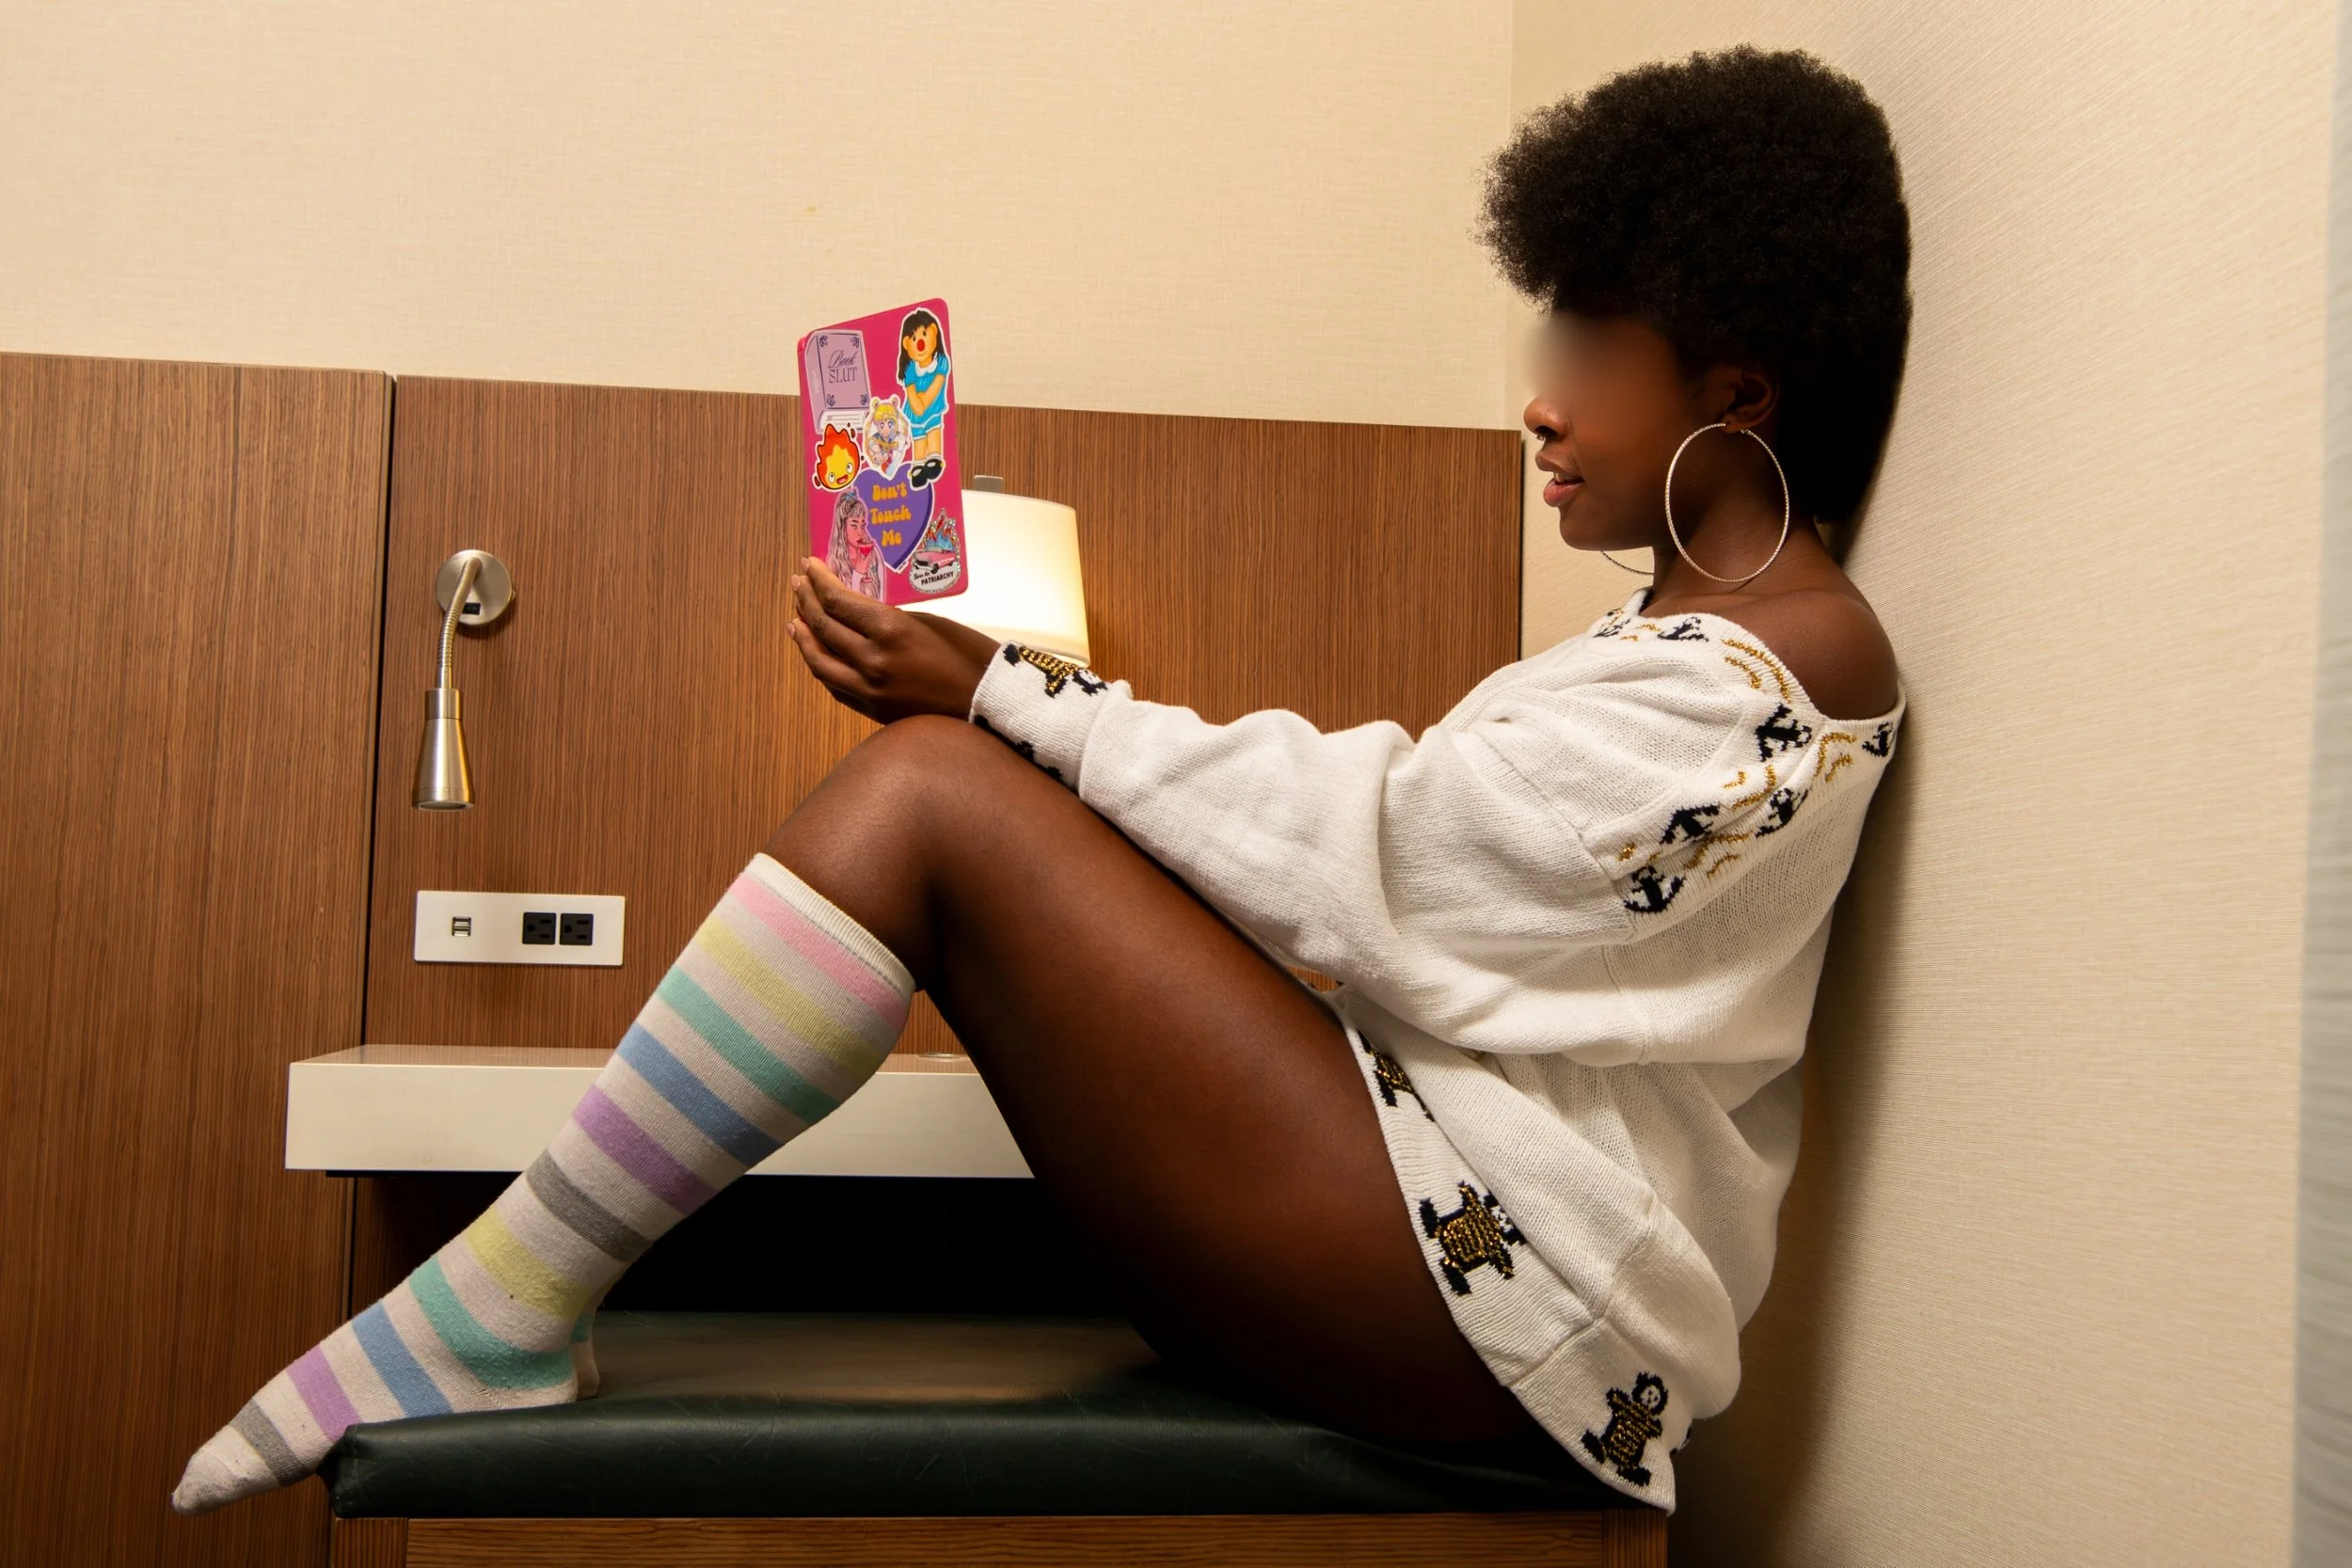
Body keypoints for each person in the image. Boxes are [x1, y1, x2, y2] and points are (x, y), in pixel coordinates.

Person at [174, 44, 1910, 1515]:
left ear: (1735, 388)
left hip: (1525, 1312)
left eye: (1588, 351)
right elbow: (1417, 891)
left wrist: (1011, 691)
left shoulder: (1792, 665)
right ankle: (508, 1298)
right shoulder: (1681, 646)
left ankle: (504, 1302)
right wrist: (1026, 723)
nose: (1538, 406)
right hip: (1452, 1260)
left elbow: (1391, 857)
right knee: (960, 782)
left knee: (940, 790)